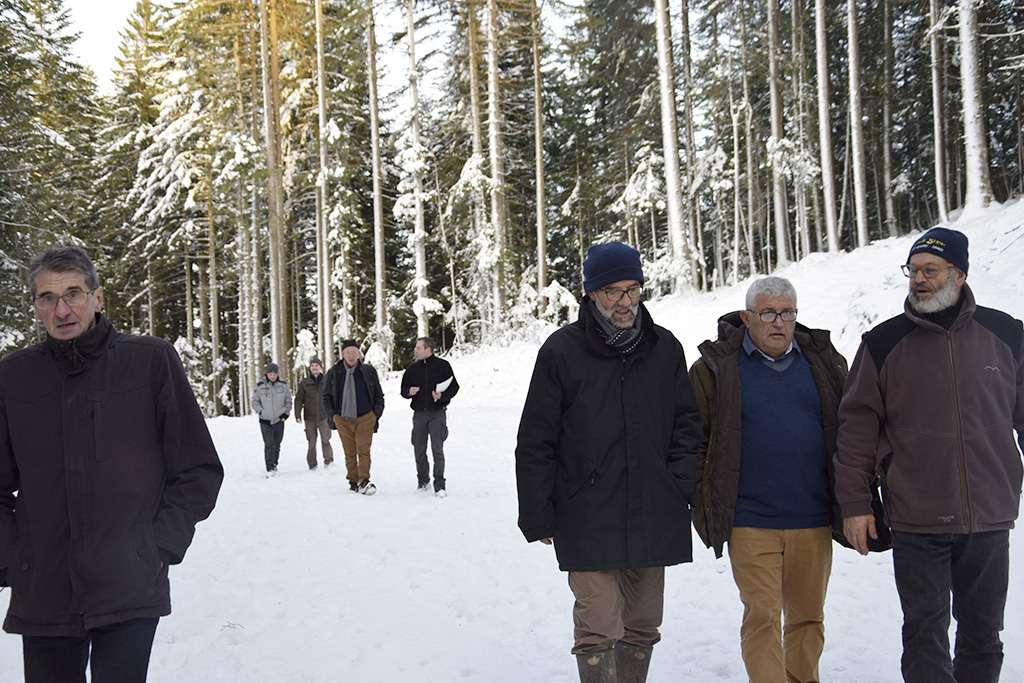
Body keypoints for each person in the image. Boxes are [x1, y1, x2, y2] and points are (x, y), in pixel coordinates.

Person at [0, 246, 223, 683]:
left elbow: (197, 467)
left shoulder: (150, 361)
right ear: (36, 307)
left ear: (97, 298)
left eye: (74, 293)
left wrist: (158, 546)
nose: (62, 309)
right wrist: (13, 560)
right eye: (48, 298)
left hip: (129, 582)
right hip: (43, 587)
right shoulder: (13, 376)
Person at [835, 227, 1024, 683]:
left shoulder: (1007, 333)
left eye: (931, 270)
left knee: (984, 634)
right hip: (917, 515)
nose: (919, 279)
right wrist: (855, 504)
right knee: (924, 635)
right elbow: (856, 428)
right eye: (913, 270)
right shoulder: (883, 343)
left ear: (959, 274)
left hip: (988, 515)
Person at [515, 241, 701, 683]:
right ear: (592, 293)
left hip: (653, 507)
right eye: (613, 291)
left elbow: (688, 426)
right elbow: (536, 439)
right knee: (598, 623)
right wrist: (538, 512)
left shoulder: (665, 348)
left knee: (643, 622)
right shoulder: (562, 351)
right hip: (586, 510)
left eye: (632, 289)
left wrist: (678, 484)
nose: (625, 301)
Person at [688, 276, 848, 683]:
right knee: (762, 615)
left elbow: (850, 430)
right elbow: (695, 441)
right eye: (768, 314)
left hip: (812, 517)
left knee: (808, 617)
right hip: (749, 519)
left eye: (787, 313)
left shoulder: (825, 362)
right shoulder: (715, 369)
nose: (779, 322)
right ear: (746, 317)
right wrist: (703, 499)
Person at [400, 337, 459, 497]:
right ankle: (423, 481)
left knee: (437, 450)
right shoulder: (412, 368)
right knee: (419, 448)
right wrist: (409, 392)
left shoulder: (443, 366)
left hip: (437, 413)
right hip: (419, 414)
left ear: (428, 349)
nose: (415, 350)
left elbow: (454, 387)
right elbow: (403, 389)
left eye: (418, 348)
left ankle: (439, 485)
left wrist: (442, 396)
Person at [323, 340, 384, 495]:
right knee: (349, 452)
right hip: (342, 419)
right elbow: (326, 396)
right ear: (343, 354)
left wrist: (375, 414)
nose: (351, 356)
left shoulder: (368, 371)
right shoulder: (334, 372)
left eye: (354, 352)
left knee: (363, 450)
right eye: (348, 353)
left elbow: (378, 394)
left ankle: (364, 480)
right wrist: (334, 415)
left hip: (365, 417)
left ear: (358, 354)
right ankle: (353, 481)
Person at [252, 362, 291, 476]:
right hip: (265, 421)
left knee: (277, 444)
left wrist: (285, 414)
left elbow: (288, 400)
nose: (272, 376)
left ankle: (275, 464)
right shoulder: (260, 385)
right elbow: (255, 402)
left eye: (274, 374)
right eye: (270, 374)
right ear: (266, 374)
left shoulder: (283, 385)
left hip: (279, 419)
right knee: (269, 444)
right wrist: (261, 411)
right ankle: (269, 468)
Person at [295, 357, 333, 470]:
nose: (314, 367)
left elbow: (333, 397)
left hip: (324, 416)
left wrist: (334, 412)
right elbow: (299, 400)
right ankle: (312, 464)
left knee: (326, 440)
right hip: (309, 417)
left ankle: (329, 462)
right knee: (311, 442)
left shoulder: (327, 381)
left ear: (320, 367)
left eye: (317, 365)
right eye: (312, 366)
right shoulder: (304, 382)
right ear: (310, 368)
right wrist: (298, 415)